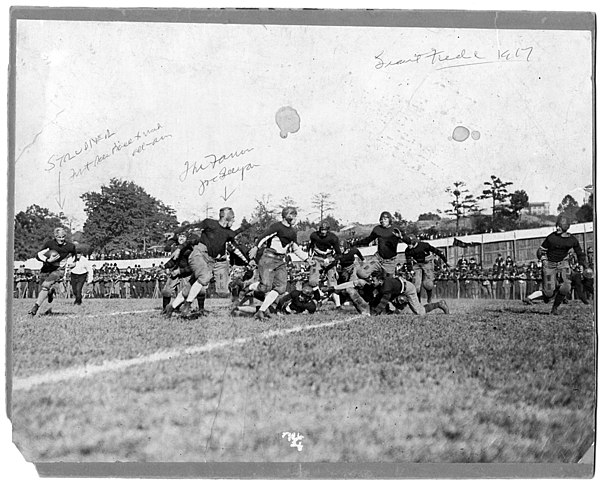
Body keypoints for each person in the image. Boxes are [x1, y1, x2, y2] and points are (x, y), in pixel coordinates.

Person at [164, 207, 252, 318]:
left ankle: (171, 307)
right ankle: (187, 305)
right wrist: (176, 234)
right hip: (199, 254)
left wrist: (250, 224)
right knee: (205, 277)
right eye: (233, 217)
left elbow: (237, 232)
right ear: (227, 217)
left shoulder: (228, 233)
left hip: (210, 261)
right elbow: (191, 226)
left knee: (190, 287)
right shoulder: (210, 223)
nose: (234, 220)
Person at [252, 206, 311, 320]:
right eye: (293, 215)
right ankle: (247, 287)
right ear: (287, 216)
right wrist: (255, 247)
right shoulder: (277, 226)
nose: (295, 218)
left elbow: (296, 248)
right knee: (265, 288)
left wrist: (307, 259)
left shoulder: (292, 232)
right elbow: (263, 237)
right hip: (269, 258)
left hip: (280, 261)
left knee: (281, 288)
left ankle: (261, 311)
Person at [523, 214, 588, 314]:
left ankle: (555, 308)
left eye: (560, 225)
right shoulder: (551, 238)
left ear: (565, 226)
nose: (557, 227)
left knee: (566, 287)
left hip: (563, 263)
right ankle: (545, 294)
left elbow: (580, 253)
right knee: (548, 293)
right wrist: (543, 259)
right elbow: (540, 251)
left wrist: (581, 264)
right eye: (557, 225)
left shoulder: (572, 240)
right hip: (549, 264)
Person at [28, 227, 77, 316]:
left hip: (58, 269)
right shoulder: (49, 244)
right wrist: (47, 260)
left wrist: (74, 263)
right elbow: (38, 255)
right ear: (55, 236)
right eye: (59, 237)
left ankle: (35, 308)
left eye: (63, 237)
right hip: (46, 268)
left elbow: (75, 255)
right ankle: (50, 292)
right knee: (44, 287)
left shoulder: (70, 246)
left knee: (45, 285)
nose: (61, 239)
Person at [367, 270, 449, 316]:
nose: (371, 282)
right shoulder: (382, 284)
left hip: (408, 290)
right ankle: (392, 311)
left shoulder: (386, 287)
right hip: (399, 290)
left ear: (380, 281)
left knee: (420, 312)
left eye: (373, 280)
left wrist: (375, 312)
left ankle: (439, 304)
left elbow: (383, 302)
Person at [354, 211, 403, 278]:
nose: (383, 221)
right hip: (378, 258)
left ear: (390, 220)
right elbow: (368, 240)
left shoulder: (395, 229)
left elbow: (409, 241)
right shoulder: (377, 229)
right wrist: (355, 243)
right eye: (381, 219)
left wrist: (402, 237)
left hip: (389, 262)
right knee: (361, 272)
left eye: (385, 219)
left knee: (388, 283)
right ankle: (372, 283)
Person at [404, 234, 448, 303]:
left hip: (427, 263)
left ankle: (429, 298)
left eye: (409, 243)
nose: (408, 245)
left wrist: (445, 260)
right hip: (417, 265)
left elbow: (436, 251)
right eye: (407, 243)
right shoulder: (407, 251)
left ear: (414, 242)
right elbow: (409, 261)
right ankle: (418, 302)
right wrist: (410, 270)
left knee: (428, 284)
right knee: (416, 286)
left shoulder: (424, 245)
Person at [307, 222, 342, 306]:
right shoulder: (314, 236)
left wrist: (331, 259)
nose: (323, 232)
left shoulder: (333, 238)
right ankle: (319, 297)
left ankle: (338, 305)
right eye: (322, 230)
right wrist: (309, 257)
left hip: (329, 258)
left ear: (328, 230)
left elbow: (339, 254)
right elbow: (310, 247)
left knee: (332, 282)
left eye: (325, 230)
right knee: (312, 280)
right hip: (317, 258)